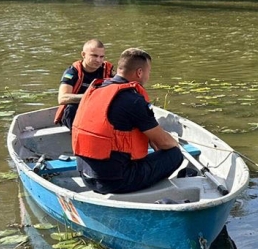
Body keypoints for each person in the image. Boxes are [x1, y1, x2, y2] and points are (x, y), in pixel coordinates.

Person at [71, 48, 184, 194]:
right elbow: (164, 143)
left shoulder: (96, 90)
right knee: (174, 154)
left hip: (86, 177)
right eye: (148, 72)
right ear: (139, 73)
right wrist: (175, 144)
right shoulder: (133, 100)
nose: (148, 76)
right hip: (116, 182)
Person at [56, 39, 113, 128]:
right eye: (94, 56)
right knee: (71, 108)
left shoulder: (107, 71)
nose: (98, 60)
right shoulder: (72, 72)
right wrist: (91, 97)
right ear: (83, 54)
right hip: (77, 110)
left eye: (101, 57)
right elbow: (62, 98)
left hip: (97, 109)